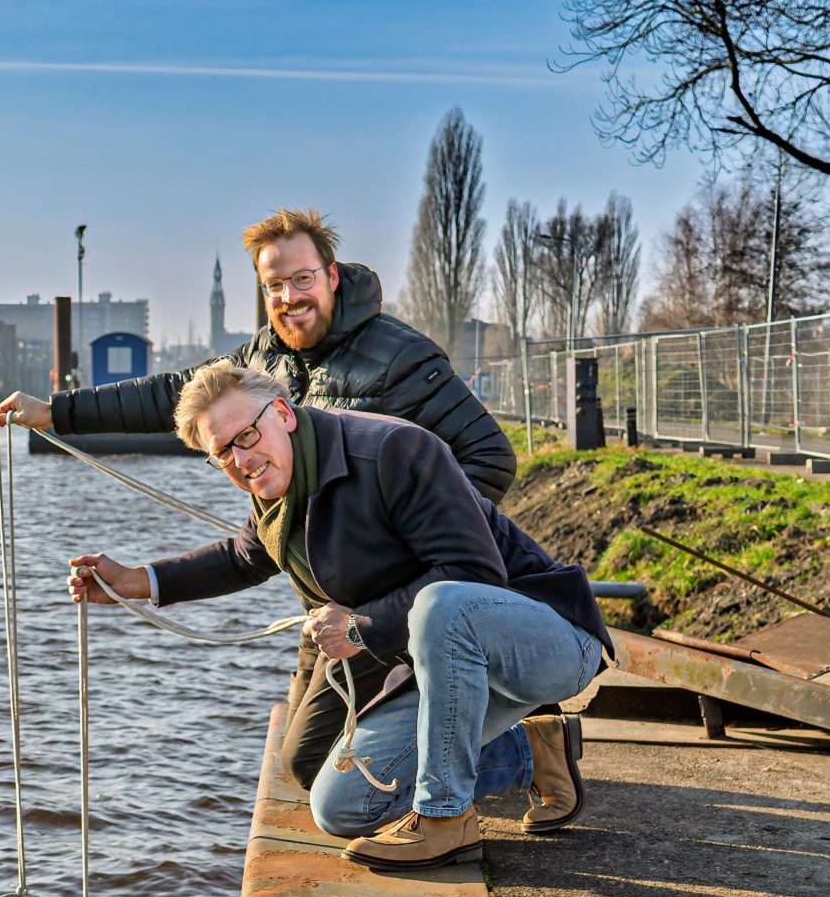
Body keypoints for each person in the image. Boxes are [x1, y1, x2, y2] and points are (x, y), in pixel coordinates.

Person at [0, 208, 518, 802]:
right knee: (305, 766)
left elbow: (490, 458)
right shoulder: (263, 362)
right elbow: (173, 398)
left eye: (301, 279)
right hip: (323, 591)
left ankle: (506, 751)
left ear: (332, 277)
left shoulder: (402, 358)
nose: (288, 297)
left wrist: (408, 556)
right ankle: (475, 738)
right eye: (273, 285)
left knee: (327, 766)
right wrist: (57, 414)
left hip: (398, 594)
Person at [65, 363, 609, 870]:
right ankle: (531, 751)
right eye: (223, 453)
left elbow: (475, 574)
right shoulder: (279, 479)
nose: (241, 460)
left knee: (442, 602)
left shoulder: (393, 450)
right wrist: (135, 581)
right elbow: (245, 556)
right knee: (331, 793)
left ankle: (446, 818)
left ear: (280, 412)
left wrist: (357, 627)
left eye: (245, 437)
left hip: (545, 640)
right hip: (434, 661)